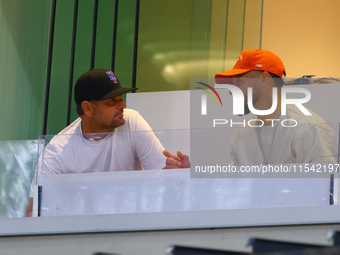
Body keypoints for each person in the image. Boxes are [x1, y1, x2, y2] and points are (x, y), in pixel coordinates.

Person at [25, 68, 189, 216]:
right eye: (112, 101)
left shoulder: (132, 122)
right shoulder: (57, 151)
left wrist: (180, 173)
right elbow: (32, 214)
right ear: (88, 108)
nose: (123, 105)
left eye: (121, 98)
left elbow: (167, 184)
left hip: (131, 226)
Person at [215, 49, 337, 166]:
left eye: (238, 82)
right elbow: (235, 184)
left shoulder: (307, 129)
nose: (231, 92)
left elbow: (324, 184)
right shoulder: (242, 135)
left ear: (263, 79)